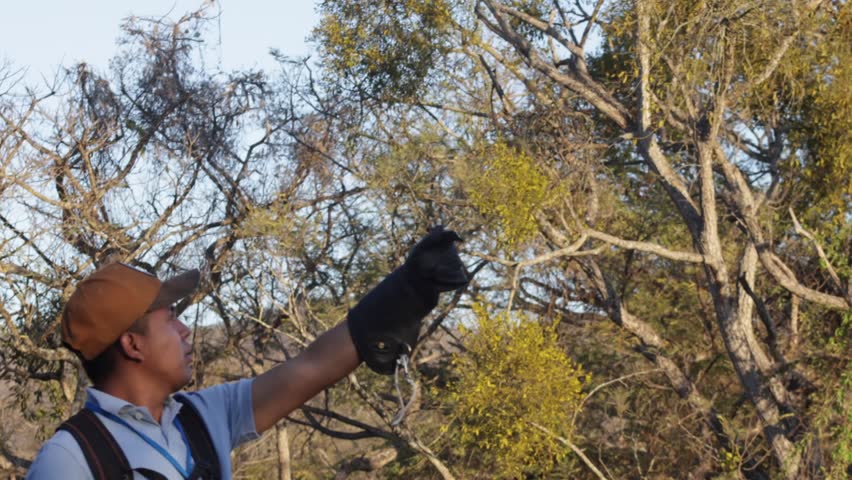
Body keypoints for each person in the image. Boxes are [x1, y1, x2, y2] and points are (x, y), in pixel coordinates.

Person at [26, 227, 467, 480]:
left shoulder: (201, 416)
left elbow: (312, 366)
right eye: (169, 319)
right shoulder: (71, 458)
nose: (185, 330)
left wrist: (408, 289)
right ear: (132, 343)